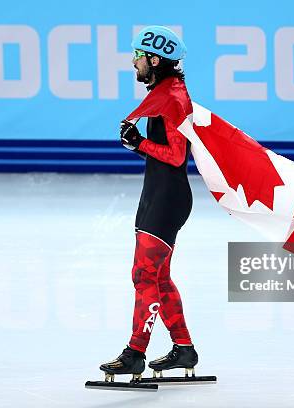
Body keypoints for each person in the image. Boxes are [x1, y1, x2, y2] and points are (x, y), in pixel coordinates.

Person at [99, 26, 198, 382]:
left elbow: (175, 156)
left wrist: (138, 143)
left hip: (166, 199)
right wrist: (139, 143)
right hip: (161, 195)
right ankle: (183, 347)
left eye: (138, 56)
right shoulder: (166, 91)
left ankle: (135, 353)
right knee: (160, 277)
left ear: (154, 59)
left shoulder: (171, 97)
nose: (133, 62)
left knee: (143, 276)